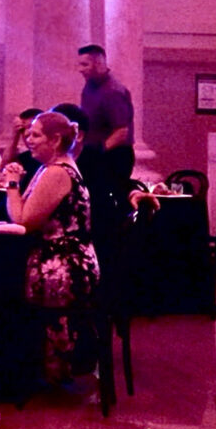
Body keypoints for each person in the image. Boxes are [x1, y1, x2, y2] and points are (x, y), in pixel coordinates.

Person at [12, 112, 100, 383]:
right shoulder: (51, 167)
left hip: (65, 265)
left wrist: (12, 184)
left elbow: (23, 220)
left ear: (55, 139)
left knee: (1, 286)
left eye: (35, 135)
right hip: (65, 258)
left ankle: (30, 371)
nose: (29, 139)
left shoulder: (56, 172)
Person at [76, 44, 136, 264]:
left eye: (85, 64)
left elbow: (121, 132)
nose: (80, 69)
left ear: (99, 63)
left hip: (113, 157)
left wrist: (97, 155)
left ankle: (109, 256)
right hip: (97, 154)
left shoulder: (113, 91)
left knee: (105, 212)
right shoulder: (89, 88)